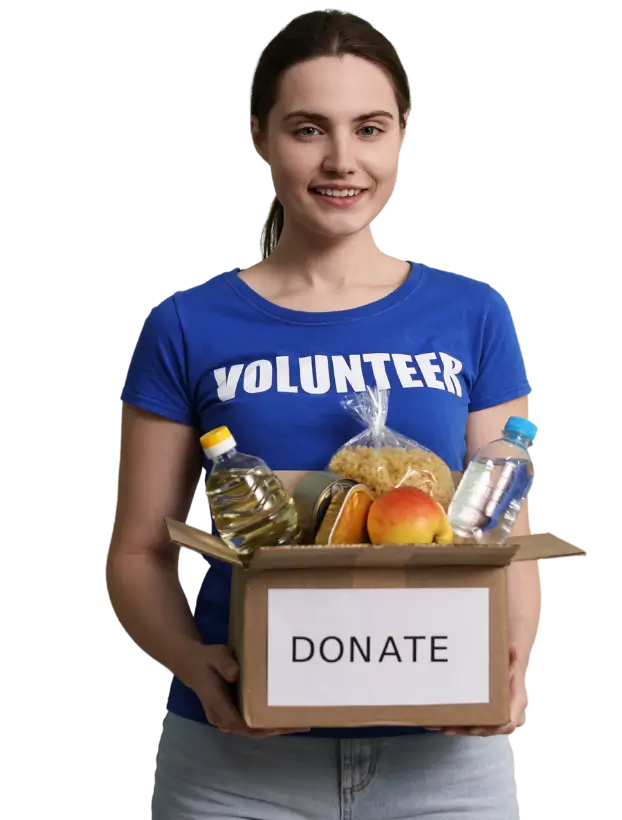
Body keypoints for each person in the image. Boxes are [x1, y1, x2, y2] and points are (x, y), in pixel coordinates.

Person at [107, 9, 541, 819]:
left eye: (369, 129)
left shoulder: (474, 313)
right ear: (259, 138)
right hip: (235, 764)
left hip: (444, 764)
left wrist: (510, 666)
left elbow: (508, 528)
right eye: (309, 129)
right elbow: (138, 551)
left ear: (402, 139)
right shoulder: (185, 324)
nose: (342, 160)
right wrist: (198, 668)